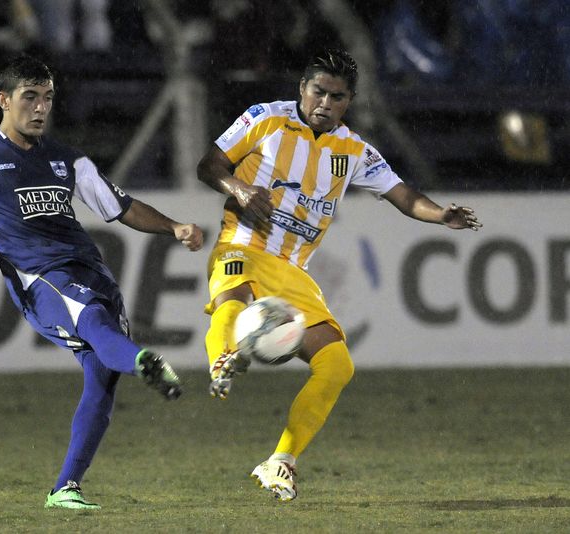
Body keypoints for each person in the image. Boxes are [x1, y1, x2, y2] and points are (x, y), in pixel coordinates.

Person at [0, 55, 204, 510]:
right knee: (95, 326)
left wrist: (175, 227)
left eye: (47, 97)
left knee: (101, 379)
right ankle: (144, 360)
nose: (41, 108)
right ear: (4, 101)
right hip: (39, 278)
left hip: (89, 268)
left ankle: (65, 488)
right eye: (30, 97)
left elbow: (120, 206)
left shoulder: (67, 159)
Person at [197, 48, 482, 502]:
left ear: (349, 101)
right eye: (318, 92)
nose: (325, 103)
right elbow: (209, 165)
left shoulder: (354, 151)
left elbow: (402, 195)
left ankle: (280, 462)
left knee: (337, 364)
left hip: (292, 270)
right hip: (243, 244)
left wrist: (439, 214)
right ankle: (223, 362)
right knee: (233, 296)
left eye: (337, 97)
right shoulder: (263, 118)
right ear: (302, 90)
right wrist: (239, 187)